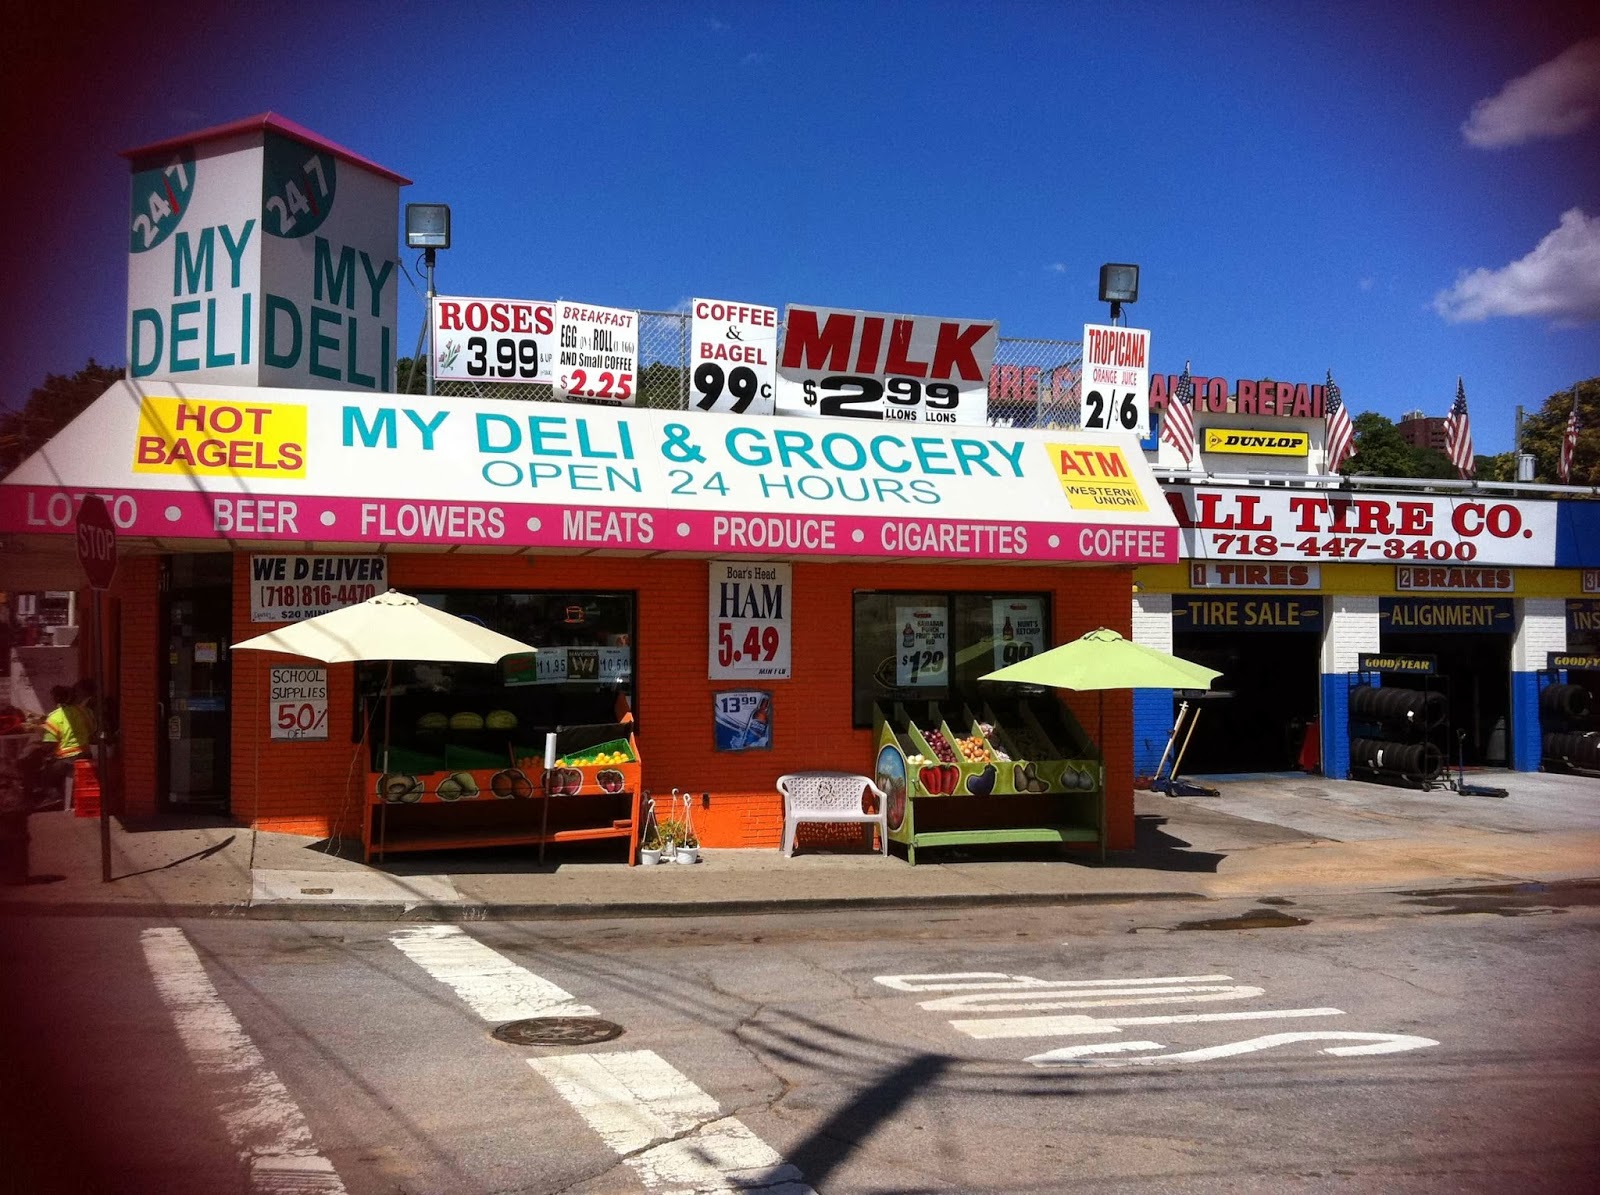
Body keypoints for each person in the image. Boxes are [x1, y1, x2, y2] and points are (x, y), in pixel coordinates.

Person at [36, 686, 96, 808]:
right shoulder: (85, 712)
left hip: (67, 759)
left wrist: (40, 739)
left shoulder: (54, 717)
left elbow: (49, 744)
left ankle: (53, 795)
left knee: (43, 770)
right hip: (86, 754)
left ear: (55, 699)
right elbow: (92, 730)